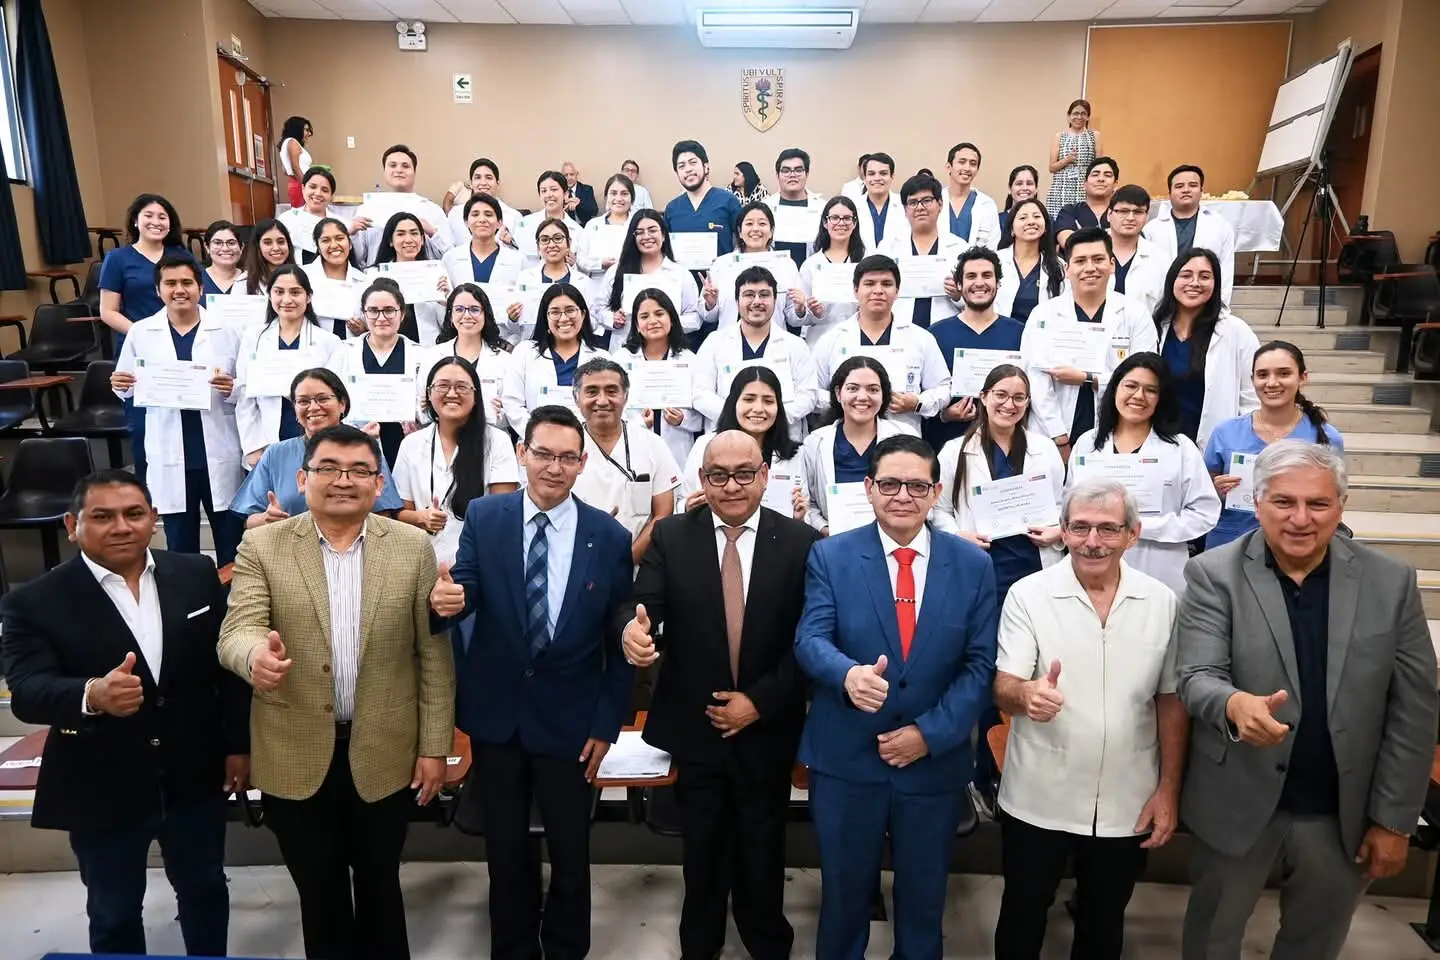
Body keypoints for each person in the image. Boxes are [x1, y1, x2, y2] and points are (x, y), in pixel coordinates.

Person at [1175, 440, 1437, 960]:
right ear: (1256, 501)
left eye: (1318, 504)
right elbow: (1196, 674)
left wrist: (1393, 819)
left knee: (1314, 944)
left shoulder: (1391, 581)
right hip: (1237, 801)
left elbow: (1415, 708)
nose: (1300, 519)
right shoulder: (1213, 574)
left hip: (1343, 810)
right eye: (1283, 502)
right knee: (1212, 940)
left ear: (1341, 505)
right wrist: (1233, 705)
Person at [220, 423, 455, 960]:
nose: (343, 481)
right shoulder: (263, 544)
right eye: (328, 468)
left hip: (387, 750)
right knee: (319, 894)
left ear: (379, 484)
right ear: (303, 478)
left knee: (380, 887)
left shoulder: (413, 547)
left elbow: (432, 656)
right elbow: (238, 630)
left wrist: (434, 746)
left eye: (359, 471)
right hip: (293, 748)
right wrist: (254, 656)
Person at [0, 471, 248, 956]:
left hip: (194, 773)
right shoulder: (33, 601)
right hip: (100, 781)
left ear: (154, 520)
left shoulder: (195, 573)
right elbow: (27, 691)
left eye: (134, 514)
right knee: (113, 911)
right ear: (73, 524)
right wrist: (92, 693)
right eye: (102, 516)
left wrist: (239, 744)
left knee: (205, 891)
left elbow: (227, 669)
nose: (121, 526)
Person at [429, 405, 634, 960]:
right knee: (506, 853)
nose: (554, 467)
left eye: (568, 457)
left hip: (571, 723)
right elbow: (465, 585)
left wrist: (606, 724)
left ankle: (566, 948)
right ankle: (513, 948)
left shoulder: (608, 536)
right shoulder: (486, 517)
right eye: (543, 453)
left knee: (571, 852)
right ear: (522, 455)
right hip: (497, 717)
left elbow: (619, 636)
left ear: (582, 462)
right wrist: (447, 601)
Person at [794, 434, 997, 960]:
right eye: (889, 484)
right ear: (868, 488)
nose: (902, 495)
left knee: (924, 903)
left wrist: (929, 736)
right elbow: (811, 639)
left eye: (916, 485)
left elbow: (979, 666)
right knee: (842, 901)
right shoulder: (830, 555)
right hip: (846, 761)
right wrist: (847, 676)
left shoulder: (972, 565)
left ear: (935, 493)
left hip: (932, 766)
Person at [619, 429, 820, 960]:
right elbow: (644, 606)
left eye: (744, 474)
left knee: (763, 845)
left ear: (765, 475)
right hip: (696, 722)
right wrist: (635, 633)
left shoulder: (800, 543)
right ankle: (700, 945)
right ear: (701, 480)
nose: (731, 486)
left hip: (767, 723)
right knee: (702, 849)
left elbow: (810, 639)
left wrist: (759, 702)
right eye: (717, 475)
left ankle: (766, 941)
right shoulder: (672, 537)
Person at [993, 479, 1186, 960]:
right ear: (1062, 531)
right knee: (1022, 913)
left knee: (1104, 922)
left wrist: (1168, 788)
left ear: (1133, 534)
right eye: (1079, 527)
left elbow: (1171, 701)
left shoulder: (1162, 602)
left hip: (1127, 797)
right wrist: (1026, 695)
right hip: (1039, 794)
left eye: (1107, 529)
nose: (1092, 541)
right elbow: (1004, 684)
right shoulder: (1028, 594)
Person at [932, 364, 1063, 819]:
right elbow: (940, 509)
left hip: (1033, 570)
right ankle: (980, 773)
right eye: (1001, 395)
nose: (1010, 404)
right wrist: (957, 535)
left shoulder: (1045, 450)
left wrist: (1056, 531)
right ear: (984, 397)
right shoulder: (955, 451)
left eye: (1019, 398)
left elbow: (1063, 504)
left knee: (1022, 670)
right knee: (985, 671)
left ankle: (1010, 769)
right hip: (984, 574)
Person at [111, 255, 245, 566]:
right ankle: (190, 611)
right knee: (180, 548)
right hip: (171, 455)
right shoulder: (142, 333)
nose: (179, 290)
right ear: (158, 291)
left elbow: (247, 387)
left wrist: (233, 388)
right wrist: (119, 383)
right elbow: (126, 387)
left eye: (186, 282)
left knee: (231, 545)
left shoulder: (228, 331)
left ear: (200, 288)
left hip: (218, 451)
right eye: (170, 283)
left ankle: (230, 609)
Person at [1068, 353, 1220, 595]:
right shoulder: (1087, 443)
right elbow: (1070, 506)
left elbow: (1205, 513)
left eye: (1151, 390)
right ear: (1115, 388)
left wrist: (1142, 527)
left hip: (1160, 569)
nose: (1139, 396)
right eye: (1131, 385)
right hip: (1092, 563)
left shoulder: (1180, 448)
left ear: (1162, 398)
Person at [1021, 229, 1159, 462]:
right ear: (1067, 269)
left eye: (1098, 259)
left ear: (1112, 264)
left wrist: (1088, 378)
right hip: (1053, 434)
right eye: (1080, 261)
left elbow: (1145, 377)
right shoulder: (1044, 314)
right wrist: (1059, 437)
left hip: (1117, 430)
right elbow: (1034, 378)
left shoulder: (1134, 313)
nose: (1090, 268)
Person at [1203, 341, 1342, 549]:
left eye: (1283, 373)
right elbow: (1201, 493)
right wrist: (1217, 490)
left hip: (1298, 543)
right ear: (1252, 380)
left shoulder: (1327, 438)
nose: (1272, 382)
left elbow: (1333, 499)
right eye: (1262, 375)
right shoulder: (1225, 432)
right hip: (1232, 542)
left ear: (1303, 378)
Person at [231, 367, 404, 527]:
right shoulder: (276, 454)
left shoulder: (365, 448)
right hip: (288, 551)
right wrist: (266, 519)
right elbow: (249, 519)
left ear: (342, 404)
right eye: (303, 401)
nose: (313, 407)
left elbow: (384, 514)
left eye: (323, 399)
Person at [99, 193, 193, 483]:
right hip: (140, 352)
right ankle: (148, 499)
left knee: (187, 426)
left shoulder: (181, 256)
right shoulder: (118, 259)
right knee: (144, 429)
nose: (156, 221)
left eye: (162, 216)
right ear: (135, 221)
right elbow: (108, 311)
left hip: (185, 348)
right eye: (149, 216)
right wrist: (145, 335)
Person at [395, 355, 520, 567]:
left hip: (477, 563)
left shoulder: (497, 441)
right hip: (420, 562)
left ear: (476, 395)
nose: (452, 393)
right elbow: (398, 513)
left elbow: (502, 513)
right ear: (428, 393)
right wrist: (421, 518)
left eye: (462, 387)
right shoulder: (411, 444)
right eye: (442, 386)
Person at [812, 254, 951, 438]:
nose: (878, 290)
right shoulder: (831, 339)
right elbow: (813, 392)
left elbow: (943, 388)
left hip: (902, 439)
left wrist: (917, 402)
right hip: (845, 439)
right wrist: (847, 401)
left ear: (897, 290)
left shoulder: (920, 338)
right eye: (869, 284)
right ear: (855, 290)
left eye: (886, 284)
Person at [569, 357, 681, 562]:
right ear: (576, 398)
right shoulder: (566, 447)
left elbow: (664, 512)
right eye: (592, 392)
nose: (602, 401)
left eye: (611, 391)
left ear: (626, 396)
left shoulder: (652, 444)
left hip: (639, 565)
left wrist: (627, 560)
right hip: (575, 562)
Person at [233, 263, 341, 474]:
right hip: (265, 441)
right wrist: (253, 446)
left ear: (308, 296)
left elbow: (334, 399)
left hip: (316, 439)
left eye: (295, 292)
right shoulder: (253, 339)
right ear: (269, 295)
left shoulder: (329, 342)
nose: (287, 299)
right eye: (279, 292)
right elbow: (245, 396)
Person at [692, 265, 822, 438]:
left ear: (775, 301)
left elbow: (808, 395)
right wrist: (738, 416)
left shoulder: (795, 345)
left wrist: (772, 417)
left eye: (764, 295)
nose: (757, 301)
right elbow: (701, 394)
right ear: (737, 301)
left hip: (783, 440)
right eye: (749, 295)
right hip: (728, 438)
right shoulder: (715, 342)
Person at [1154, 248, 1260, 448]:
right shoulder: (1154, 328)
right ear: (1172, 281)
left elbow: (1251, 399)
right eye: (1186, 275)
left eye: (1205, 276)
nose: (1194, 283)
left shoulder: (1236, 331)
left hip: (1214, 445)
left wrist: (1242, 447)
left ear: (1216, 284)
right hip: (1158, 444)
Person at [925, 247, 1026, 451]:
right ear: (960, 285)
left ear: (998, 283)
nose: (979, 282)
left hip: (1007, 445)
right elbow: (924, 397)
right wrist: (945, 415)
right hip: (948, 444)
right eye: (971, 276)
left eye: (987, 275)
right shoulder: (934, 334)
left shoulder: (1020, 333)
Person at [681, 366, 810, 523]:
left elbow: (804, 514)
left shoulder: (795, 453)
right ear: (733, 402)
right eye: (749, 399)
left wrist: (800, 517)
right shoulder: (705, 445)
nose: (758, 409)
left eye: (768, 401)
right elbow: (682, 501)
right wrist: (687, 508)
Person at [327, 279, 426, 467]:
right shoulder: (344, 352)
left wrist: (419, 416)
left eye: (389, 310)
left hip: (406, 445)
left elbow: (428, 402)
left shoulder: (422, 354)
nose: (381, 318)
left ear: (402, 313)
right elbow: (331, 398)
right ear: (364, 314)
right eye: (373, 311)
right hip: (355, 445)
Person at [802, 356, 905, 535]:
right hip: (834, 542)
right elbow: (808, 502)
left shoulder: (904, 437)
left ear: (883, 395)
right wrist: (824, 528)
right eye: (852, 388)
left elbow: (919, 490)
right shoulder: (815, 442)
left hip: (893, 538)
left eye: (873, 389)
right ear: (838, 393)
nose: (862, 397)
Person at [502, 282, 609, 436]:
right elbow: (512, 403)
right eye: (555, 312)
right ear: (545, 317)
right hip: (537, 445)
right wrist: (539, 436)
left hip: (589, 444)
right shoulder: (525, 352)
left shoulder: (602, 358)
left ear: (583, 314)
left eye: (570, 310)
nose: (564, 318)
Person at [617, 287, 703, 467]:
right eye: (644, 316)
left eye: (659, 313)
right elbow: (612, 409)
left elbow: (702, 417)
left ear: (671, 319)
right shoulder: (621, 359)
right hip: (633, 448)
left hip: (677, 452)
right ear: (636, 326)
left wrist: (682, 420)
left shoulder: (690, 360)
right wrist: (639, 422)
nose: (653, 321)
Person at [597, 208, 703, 349]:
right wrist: (613, 319)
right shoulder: (616, 272)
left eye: (652, 230)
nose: (646, 236)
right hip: (625, 349)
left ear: (664, 235)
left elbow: (695, 318)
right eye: (639, 232)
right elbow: (599, 309)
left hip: (668, 351)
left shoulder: (680, 273)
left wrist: (665, 322)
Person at [877, 172, 968, 329]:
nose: (920, 207)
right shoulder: (888, 247)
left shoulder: (960, 248)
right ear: (905, 209)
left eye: (926, 201)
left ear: (940, 204)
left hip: (944, 328)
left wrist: (958, 296)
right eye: (912, 202)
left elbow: (975, 299)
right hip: (898, 328)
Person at [701, 202, 803, 334]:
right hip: (730, 343)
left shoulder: (786, 264)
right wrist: (710, 305)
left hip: (774, 343)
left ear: (771, 232)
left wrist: (799, 308)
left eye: (762, 224)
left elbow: (793, 318)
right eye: (749, 224)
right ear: (740, 232)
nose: (755, 229)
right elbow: (708, 317)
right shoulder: (722, 264)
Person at [1143, 164, 1237, 305]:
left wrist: (1221, 308)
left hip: (1205, 302)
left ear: (1201, 190)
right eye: (1179, 186)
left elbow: (1226, 271)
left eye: (1192, 185)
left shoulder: (1219, 226)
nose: (1186, 190)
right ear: (1170, 193)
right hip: (1162, 303)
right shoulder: (1152, 229)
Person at [427, 282, 512, 424]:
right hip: (444, 434)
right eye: (459, 309)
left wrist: (502, 413)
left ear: (486, 314)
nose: (466, 316)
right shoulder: (433, 356)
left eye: (474, 309)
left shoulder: (506, 361)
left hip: (491, 438)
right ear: (450, 315)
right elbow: (422, 410)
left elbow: (512, 411)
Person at [353, 144, 452, 264]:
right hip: (379, 277)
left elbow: (449, 255)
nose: (399, 170)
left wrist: (432, 232)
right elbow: (358, 258)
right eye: (392, 165)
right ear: (384, 171)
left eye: (405, 166)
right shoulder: (367, 209)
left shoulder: (432, 210)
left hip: (422, 277)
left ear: (414, 172)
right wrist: (353, 234)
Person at [798, 195, 868, 347]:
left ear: (854, 223)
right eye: (835, 218)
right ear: (825, 222)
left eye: (847, 218)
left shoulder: (866, 260)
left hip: (859, 338)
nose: (841, 223)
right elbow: (796, 317)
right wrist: (812, 312)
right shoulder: (811, 264)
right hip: (820, 340)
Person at [371, 211, 450, 346]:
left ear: (422, 239)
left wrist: (445, 302)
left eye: (414, 233)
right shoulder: (374, 275)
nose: (408, 240)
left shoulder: (436, 272)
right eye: (401, 234)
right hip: (387, 347)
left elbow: (446, 325)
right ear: (390, 241)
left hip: (428, 347)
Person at [439, 193, 526, 311]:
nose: (482, 220)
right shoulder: (450, 259)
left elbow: (523, 304)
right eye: (475, 214)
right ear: (466, 222)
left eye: (488, 214)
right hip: (462, 327)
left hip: (504, 328)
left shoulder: (518, 260)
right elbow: (445, 304)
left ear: (499, 222)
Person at [666, 139, 744, 258]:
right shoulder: (672, 209)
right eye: (681, 166)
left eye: (693, 162)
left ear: (706, 166)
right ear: (677, 173)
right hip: (683, 276)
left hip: (721, 275)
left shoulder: (728, 201)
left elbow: (742, 244)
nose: (688, 169)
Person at [995, 198, 1065, 324]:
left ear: (1046, 227)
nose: (1031, 222)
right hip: (1001, 336)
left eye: (1037, 216)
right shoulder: (994, 261)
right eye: (1023, 218)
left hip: (1042, 337)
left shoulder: (1059, 266)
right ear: (1011, 229)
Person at [303, 216, 369, 339]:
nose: (334, 245)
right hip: (313, 349)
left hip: (352, 350)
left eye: (339, 238)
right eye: (326, 240)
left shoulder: (364, 280)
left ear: (349, 244)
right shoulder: (302, 276)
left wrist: (364, 331)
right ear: (318, 247)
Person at [1106, 184, 1168, 315]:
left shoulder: (1160, 259)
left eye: (1138, 212)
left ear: (1146, 217)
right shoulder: (1090, 251)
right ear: (1109, 214)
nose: (1130, 218)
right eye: (1123, 211)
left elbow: (1165, 309)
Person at [763, 147, 826, 269]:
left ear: (806, 174)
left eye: (798, 170)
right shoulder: (765, 207)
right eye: (786, 171)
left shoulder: (822, 207)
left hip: (812, 273)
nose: (792, 175)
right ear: (777, 175)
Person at [516, 171, 587, 269]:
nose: (548, 195)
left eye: (554, 190)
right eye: (543, 191)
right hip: (532, 282)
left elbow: (583, 269)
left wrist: (574, 264)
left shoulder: (578, 231)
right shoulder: (525, 224)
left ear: (566, 194)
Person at [444, 157, 523, 243]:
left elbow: (521, 252)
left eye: (488, 178)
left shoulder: (514, 216)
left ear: (497, 183)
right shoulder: (455, 214)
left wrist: (509, 244)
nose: (483, 183)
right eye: (477, 177)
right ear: (471, 183)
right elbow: (447, 249)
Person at [942, 142, 1001, 248]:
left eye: (973, 164)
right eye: (962, 162)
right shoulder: (936, 201)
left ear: (977, 170)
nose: (967, 168)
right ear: (948, 167)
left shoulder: (987, 204)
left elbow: (993, 245)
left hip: (977, 263)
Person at [1053, 156, 1119, 248]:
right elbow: (1068, 243)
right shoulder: (1069, 211)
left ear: (1115, 185)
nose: (1101, 179)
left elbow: (1127, 243)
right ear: (1084, 184)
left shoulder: (1122, 212)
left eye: (1107, 175)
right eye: (1095, 175)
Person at [1047, 98, 1101, 211]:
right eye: (1075, 113)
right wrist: (1066, 160)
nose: (1079, 117)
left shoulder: (1094, 135)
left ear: (1088, 117)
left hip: (1084, 189)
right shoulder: (1060, 136)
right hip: (1060, 189)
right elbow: (1052, 167)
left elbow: (1099, 165)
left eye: (1083, 114)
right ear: (1068, 116)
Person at [579, 173, 637, 276]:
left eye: (624, 193)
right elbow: (580, 260)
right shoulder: (592, 225)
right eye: (613, 193)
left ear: (632, 198)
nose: (619, 199)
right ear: (606, 197)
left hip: (630, 283)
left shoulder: (638, 225)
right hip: (597, 284)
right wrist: (600, 264)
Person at [279, 167, 340, 260]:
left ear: (331, 196)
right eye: (312, 187)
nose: (318, 193)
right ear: (303, 188)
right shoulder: (287, 219)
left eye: (325, 190)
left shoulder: (339, 223)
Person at [856, 152, 905, 252]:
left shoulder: (904, 206)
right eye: (871, 174)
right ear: (864, 178)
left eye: (883, 173)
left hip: (896, 265)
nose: (877, 178)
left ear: (892, 176)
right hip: (862, 265)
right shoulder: (854, 207)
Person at [239, 218, 296, 297]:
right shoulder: (242, 282)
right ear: (258, 247)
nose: (276, 248)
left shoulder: (305, 276)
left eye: (281, 242)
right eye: (267, 243)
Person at [997, 164, 1039, 247]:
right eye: (1019, 183)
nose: (1024, 188)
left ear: (1036, 189)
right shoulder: (997, 220)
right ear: (1009, 189)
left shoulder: (1046, 220)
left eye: (1029, 183)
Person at [200, 219, 244, 297]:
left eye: (231, 243)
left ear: (241, 247)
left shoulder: (252, 280)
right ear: (207, 247)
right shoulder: (196, 279)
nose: (225, 248)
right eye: (217, 243)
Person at [278, 115, 314, 209]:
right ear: (297, 129)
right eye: (306, 130)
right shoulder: (292, 142)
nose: (309, 133)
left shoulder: (288, 142)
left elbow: (285, 170)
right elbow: (295, 167)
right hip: (299, 184)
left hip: (296, 183)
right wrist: (306, 186)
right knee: (303, 213)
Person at [561, 160, 600, 226]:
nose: (569, 178)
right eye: (566, 175)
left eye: (571, 174)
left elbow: (594, 211)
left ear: (577, 174)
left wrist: (579, 202)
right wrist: (564, 203)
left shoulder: (587, 189)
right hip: (566, 228)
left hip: (584, 227)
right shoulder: (560, 191)